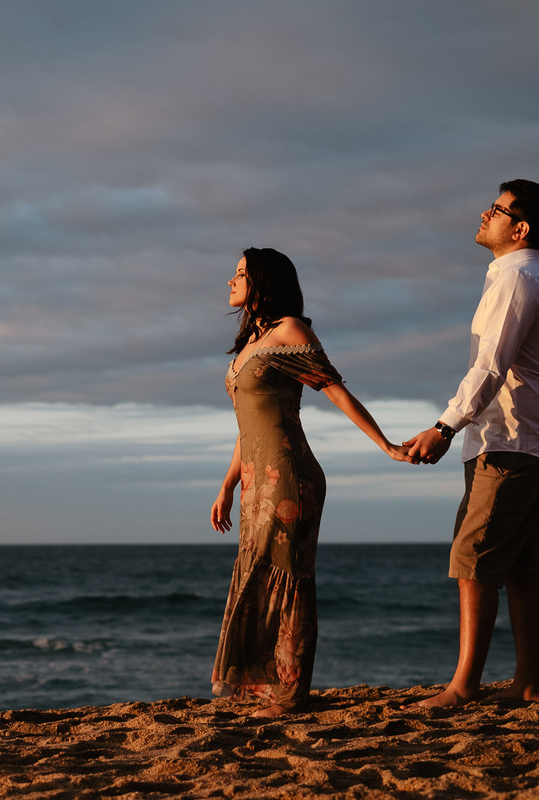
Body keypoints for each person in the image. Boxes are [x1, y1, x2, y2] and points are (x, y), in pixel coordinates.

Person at [210, 247, 411, 718]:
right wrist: (226, 486)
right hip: (255, 485)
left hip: (290, 479)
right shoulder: (250, 345)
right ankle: (269, 687)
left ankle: (292, 695)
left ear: (263, 280)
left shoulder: (291, 332)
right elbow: (247, 429)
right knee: (260, 577)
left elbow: (335, 390)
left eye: (240, 273)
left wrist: (384, 444)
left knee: (290, 578)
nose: (230, 281)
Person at [404, 179, 539, 708]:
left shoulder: (517, 278)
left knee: (472, 557)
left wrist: (444, 426)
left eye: (496, 210)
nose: (484, 213)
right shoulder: (519, 276)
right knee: (520, 564)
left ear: (519, 228)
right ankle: (529, 684)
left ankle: (463, 687)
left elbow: (490, 366)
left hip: (511, 441)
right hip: (523, 440)